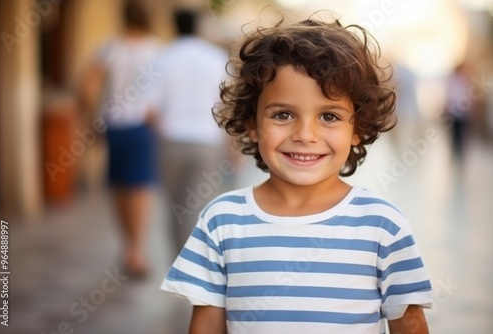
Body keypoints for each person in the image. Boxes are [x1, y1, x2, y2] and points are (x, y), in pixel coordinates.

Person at [160, 15, 433, 334]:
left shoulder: (383, 226)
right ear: (252, 124)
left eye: (329, 116)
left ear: (356, 128)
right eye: (283, 114)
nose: (305, 134)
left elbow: (411, 326)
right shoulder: (221, 222)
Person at [79, 0, 163, 277]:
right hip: (142, 125)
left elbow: (88, 87)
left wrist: (90, 119)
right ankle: (136, 250)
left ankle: (128, 246)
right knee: (140, 187)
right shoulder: (156, 49)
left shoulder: (110, 46)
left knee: (119, 184)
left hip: (114, 125)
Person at [151, 9, 232, 253]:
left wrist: (162, 134)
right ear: (198, 27)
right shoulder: (216, 57)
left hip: (172, 141)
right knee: (201, 205)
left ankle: (180, 263)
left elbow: (149, 110)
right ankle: (198, 263)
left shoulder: (163, 57)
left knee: (175, 208)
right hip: (208, 141)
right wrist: (231, 145)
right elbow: (228, 104)